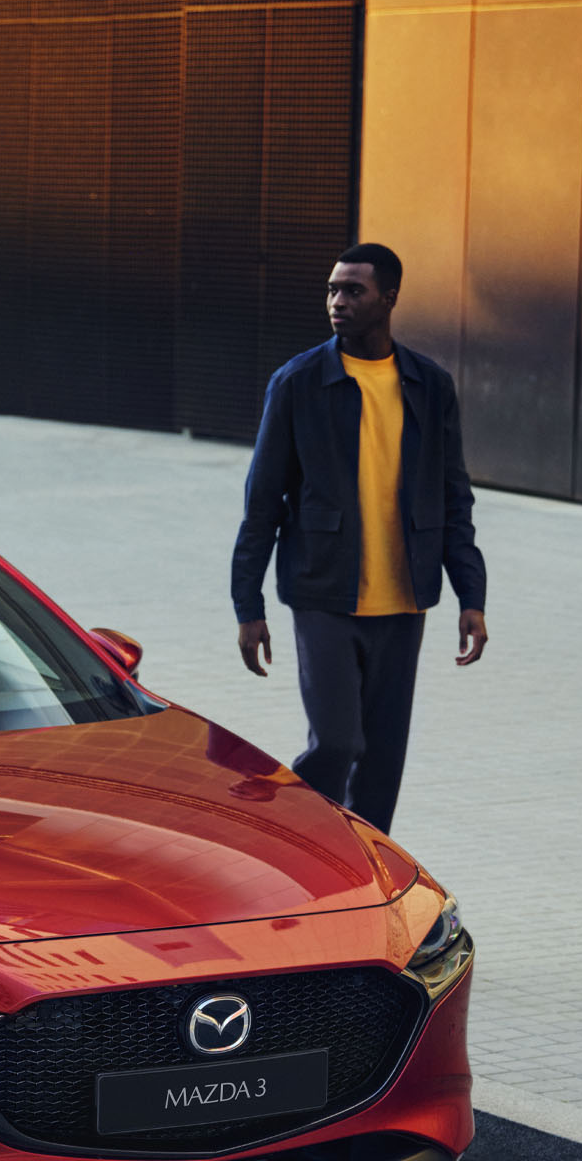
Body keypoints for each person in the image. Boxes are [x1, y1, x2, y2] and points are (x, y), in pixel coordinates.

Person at [230, 242, 488, 834]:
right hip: (324, 592)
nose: (337, 302)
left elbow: (454, 495)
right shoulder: (297, 383)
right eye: (331, 290)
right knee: (339, 742)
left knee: (383, 757)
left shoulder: (429, 385)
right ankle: (288, 831)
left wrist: (470, 594)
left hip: (404, 598)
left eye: (353, 291)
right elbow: (262, 500)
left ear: (389, 298)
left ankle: (367, 867)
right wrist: (249, 605)